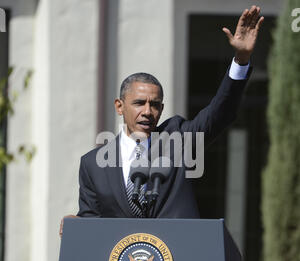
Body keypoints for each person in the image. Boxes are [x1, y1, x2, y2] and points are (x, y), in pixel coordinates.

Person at [60, 6, 264, 236]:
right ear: (120, 106)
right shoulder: (93, 165)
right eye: (139, 103)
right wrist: (77, 224)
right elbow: (92, 224)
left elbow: (220, 112)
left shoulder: (178, 141)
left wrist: (241, 59)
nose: (148, 111)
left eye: (155, 105)